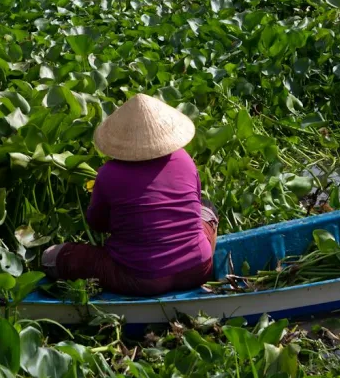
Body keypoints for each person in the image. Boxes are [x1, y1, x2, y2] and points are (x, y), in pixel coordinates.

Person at [41, 94, 218, 297]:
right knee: (207, 209)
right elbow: (193, 204)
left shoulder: (108, 173)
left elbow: (97, 223)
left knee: (53, 257)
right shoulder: (184, 158)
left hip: (142, 277)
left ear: (122, 140)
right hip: (198, 269)